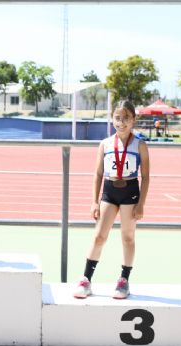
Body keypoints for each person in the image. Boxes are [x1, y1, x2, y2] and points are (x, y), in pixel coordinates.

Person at [73, 100, 150, 300]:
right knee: (99, 236)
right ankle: (86, 279)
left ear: (133, 120)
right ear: (112, 119)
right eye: (117, 118)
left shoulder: (140, 145)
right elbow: (98, 174)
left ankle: (124, 280)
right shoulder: (105, 144)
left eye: (126, 118)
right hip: (109, 191)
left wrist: (141, 203)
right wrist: (94, 201)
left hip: (131, 191)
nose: (121, 122)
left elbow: (146, 176)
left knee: (127, 236)